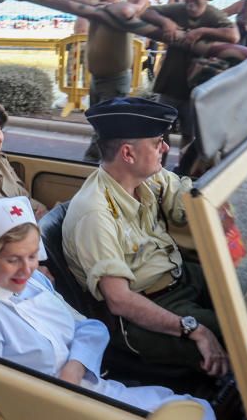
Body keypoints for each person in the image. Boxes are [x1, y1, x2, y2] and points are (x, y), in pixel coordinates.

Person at [0, 196, 220, 420]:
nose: (26, 269)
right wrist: (61, 393)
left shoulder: (35, 282)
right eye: (12, 259)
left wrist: (74, 368)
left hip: (87, 388)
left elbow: (90, 328)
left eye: (32, 256)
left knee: (194, 413)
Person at [62, 98, 230, 378]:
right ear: (128, 154)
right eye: (157, 142)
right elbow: (120, 300)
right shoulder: (95, 214)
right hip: (148, 310)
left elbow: (189, 203)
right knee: (244, 332)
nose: (165, 148)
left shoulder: (150, 178)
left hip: (179, 277)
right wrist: (195, 329)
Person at [143, 0, 238, 118]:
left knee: (192, 131)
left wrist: (202, 31)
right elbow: (146, 12)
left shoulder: (213, 14)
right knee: (161, 125)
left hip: (197, 85)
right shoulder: (178, 9)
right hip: (171, 81)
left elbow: (233, 35)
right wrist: (165, 22)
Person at [68, 0, 134, 105]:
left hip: (114, 83)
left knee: (110, 124)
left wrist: (99, 6)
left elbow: (127, 9)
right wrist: (94, 2)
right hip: (96, 80)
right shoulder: (97, 9)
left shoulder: (122, 11)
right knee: (96, 122)